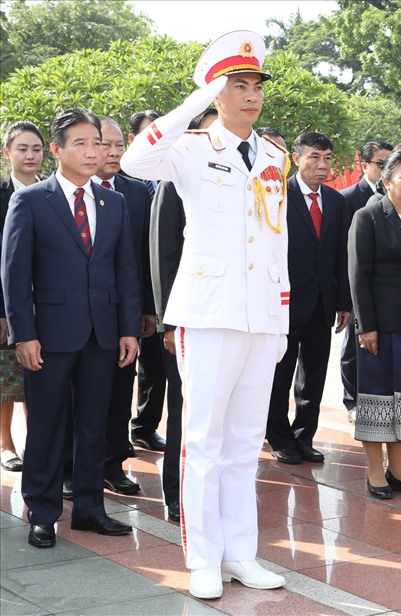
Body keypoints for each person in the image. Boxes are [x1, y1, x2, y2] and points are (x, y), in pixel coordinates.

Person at [121, 30, 289, 599]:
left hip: (261, 316)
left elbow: (276, 242)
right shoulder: (191, 149)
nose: (249, 95)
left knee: (245, 443)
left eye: (255, 85)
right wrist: (195, 100)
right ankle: (203, 557)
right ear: (218, 92)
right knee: (202, 442)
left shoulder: (275, 157)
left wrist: (281, 317)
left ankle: (242, 553)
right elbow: (134, 159)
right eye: (236, 85)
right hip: (209, 312)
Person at [3, 108, 140, 548]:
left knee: (94, 425)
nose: (92, 151)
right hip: (48, 335)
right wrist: (24, 334)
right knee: (46, 424)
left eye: (96, 143)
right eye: (80, 143)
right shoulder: (30, 200)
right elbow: (14, 273)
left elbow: (126, 272)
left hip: (102, 335)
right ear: (57, 150)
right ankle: (42, 512)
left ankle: (89, 509)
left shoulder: (113, 201)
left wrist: (127, 329)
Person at [149, 107, 218, 525]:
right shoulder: (177, 180)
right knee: (184, 410)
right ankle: (177, 494)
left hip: (228, 320)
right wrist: (169, 323)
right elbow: (164, 255)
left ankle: (213, 494)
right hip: (189, 319)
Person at [348, 150, 401, 499]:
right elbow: (358, 275)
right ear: (386, 181)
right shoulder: (368, 217)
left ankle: (399, 469)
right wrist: (366, 327)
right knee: (378, 399)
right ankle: (375, 471)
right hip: (380, 326)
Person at [265, 131, 350, 465]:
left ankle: (304, 436)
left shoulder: (336, 200)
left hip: (322, 303)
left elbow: (341, 255)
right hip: (283, 303)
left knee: (313, 376)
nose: (322, 165)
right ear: (296, 158)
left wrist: (344, 301)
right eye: (314, 157)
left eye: (327, 158)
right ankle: (279, 437)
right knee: (280, 375)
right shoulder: (276, 196)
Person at [94, 117, 156, 494]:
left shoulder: (137, 192)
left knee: (120, 390)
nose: (115, 152)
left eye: (120, 145)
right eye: (106, 144)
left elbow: (147, 255)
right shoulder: (72, 192)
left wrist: (147, 308)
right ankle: (72, 467)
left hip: (125, 312)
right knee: (79, 395)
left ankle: (112, 465)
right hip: (80, 314)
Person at [0, 121, 44, 473]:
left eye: (36, 149)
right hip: (5, 306)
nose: (30, 155)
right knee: (5, 379)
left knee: (38, 376)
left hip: (45, 305)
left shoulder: (51, 193)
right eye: (22, 149)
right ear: (7, 152)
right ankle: (6, 444)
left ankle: (38, 443)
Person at [340, 139, 393, 421]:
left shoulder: (400, 197)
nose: (386, 169)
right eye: (380, 163)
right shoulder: (348, 198)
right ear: (364, 165)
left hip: (387, 293)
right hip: (356, 284)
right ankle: (352, 401)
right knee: (353, 346)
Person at [127, 108, 167, 455]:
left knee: (156, 367)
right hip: (127, 291)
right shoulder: (125, 184)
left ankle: (145, 426)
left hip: (160, 293)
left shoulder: (174, 179)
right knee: (123, 370)